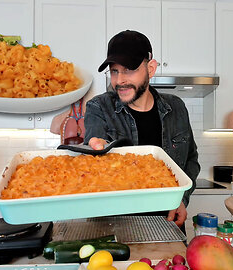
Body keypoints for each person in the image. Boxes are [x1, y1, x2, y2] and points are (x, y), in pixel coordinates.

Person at [84, 30, 200, 228]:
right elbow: (93, 151)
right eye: (114, 71)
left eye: (128, 69)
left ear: (151, 68)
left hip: (167, 225)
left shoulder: (177, 108)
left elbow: (191, 160)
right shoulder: (98, 107)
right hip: (113, 229)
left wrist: (181, 197)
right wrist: (97, 149)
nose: (119, 80)